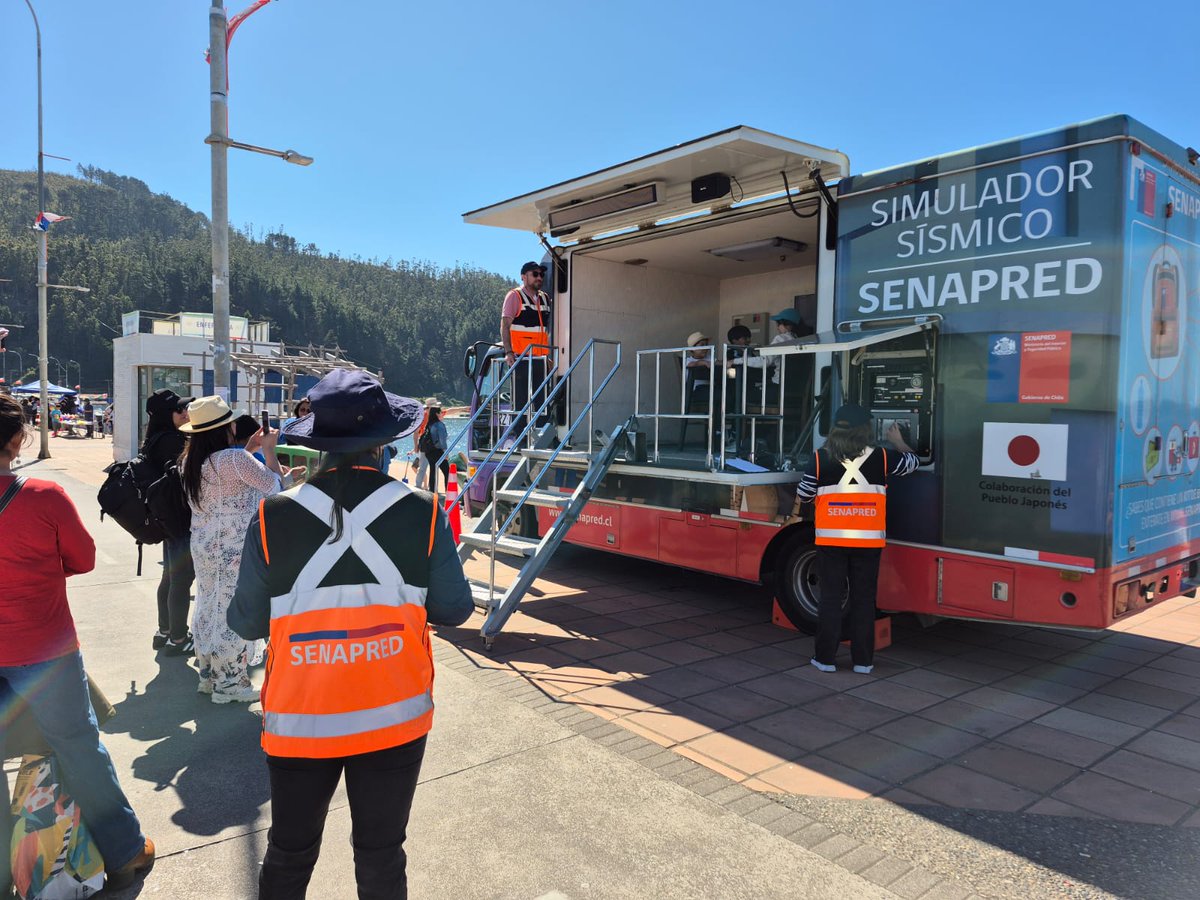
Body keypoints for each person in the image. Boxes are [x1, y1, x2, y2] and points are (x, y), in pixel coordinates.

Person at [228, 368, 473, 898]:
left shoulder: (272, 518)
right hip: (395, 715)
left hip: (299, 720)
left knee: (290, 855)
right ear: (385, 442)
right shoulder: (424, 513)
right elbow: (456, 610)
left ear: (317, 445)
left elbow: (244, 622)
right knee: (382, 855)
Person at [0, 394, 156, 893]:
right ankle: (125, 851)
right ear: (18, 440)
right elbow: (83, 559)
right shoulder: (44, 497)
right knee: (79, 747)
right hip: (44, 652)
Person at [178, 396, 288, 702]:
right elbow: (277, 487)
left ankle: (209, 674)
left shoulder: (189, 460)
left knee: (208, 603)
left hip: (203, 542)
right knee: (234, 607)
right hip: (235, 544)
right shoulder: (235, 460)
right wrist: (268, 451)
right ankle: (230, 683)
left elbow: (226, 479)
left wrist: (251, 450)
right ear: (227, 427)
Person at [795, 404, 918, 674]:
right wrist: (900, 442)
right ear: (866, 429)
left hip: (831, 541)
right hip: (868, 542)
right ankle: (863, 662)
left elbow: (803, 493)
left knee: (830, 600)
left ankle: (825, 659)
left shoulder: (820, 458)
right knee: (864, 600)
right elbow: (913, 464)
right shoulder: (883, 457)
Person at [143, 388, 196, 656]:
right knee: (182, 579)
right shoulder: (172, 442)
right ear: (167, 414)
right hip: (179, 519)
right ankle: (178, 638)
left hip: (166, 518)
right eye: (179, 409)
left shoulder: (155, 438)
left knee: (170, 577)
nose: (185, 412)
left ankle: (164, 630)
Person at [500, 261, 552, 433]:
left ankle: (543, 437)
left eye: (541, 275)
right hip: (521, 358)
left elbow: (545, 331)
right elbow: (505, 325)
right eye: (535, 274)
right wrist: (508, 352)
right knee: (521, 402)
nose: (539, 277)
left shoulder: (544, 298)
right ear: (523, 276)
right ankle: (520, 440)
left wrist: (548, 355)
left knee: (543, 401)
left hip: (541, 360)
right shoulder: (515, 296)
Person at [420, 404, 450, 494]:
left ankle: (432, 492)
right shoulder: (439, 425)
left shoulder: (429, 424)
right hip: (438, 452)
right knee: (447, 472)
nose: (442, 414)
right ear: (437, 414)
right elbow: (442, 440)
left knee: (433, 471)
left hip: (429, 452)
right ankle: (449, 492)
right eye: (440, 412)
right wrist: (446, 453)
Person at [410, 398, 436, 488]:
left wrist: (464, 408)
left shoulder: (438, 414)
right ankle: (419, 486)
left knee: (433, 468)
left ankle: (432, 488)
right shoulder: (421, 417)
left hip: (434, 446)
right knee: (421, 467)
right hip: (424, 445)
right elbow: (416, 432)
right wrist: (415, 446)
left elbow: (449, 411)